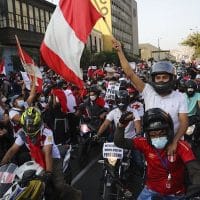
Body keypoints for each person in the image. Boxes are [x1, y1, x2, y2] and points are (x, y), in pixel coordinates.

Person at [112, 39, 188, 155]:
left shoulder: (180, 97)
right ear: (153, 79)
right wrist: (120, 52)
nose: (161, 80)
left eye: (164, 77)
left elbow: (184, 123)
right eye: (158, 78)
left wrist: (174, 142)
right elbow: (130, 74)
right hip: (151, 144)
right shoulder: (148, 91)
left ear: (171, 78)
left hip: (174, 146)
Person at [114, 108, 200, 200]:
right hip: (150, 191)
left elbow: (195, 170)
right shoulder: (144, 143)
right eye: (153, 134)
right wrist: (121, 125)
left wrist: (193, 191)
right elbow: (119, 142)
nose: (158, 137)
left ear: (169, 131)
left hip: (176, 195)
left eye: (162, 133)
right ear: (147, 135)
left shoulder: (181, 146)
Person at [0, 107, 82, 200]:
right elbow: (12, 150)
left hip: (53, 159)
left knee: (59, 186)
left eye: (32, 126)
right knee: (24, 184)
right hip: (35, 159)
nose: (30, 128)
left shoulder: (47, 132)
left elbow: (48, 153)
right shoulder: (23, 134)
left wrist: (48, 173)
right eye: (28, 126)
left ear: (38, 123)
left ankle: (77, 195)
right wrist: (2, 164)